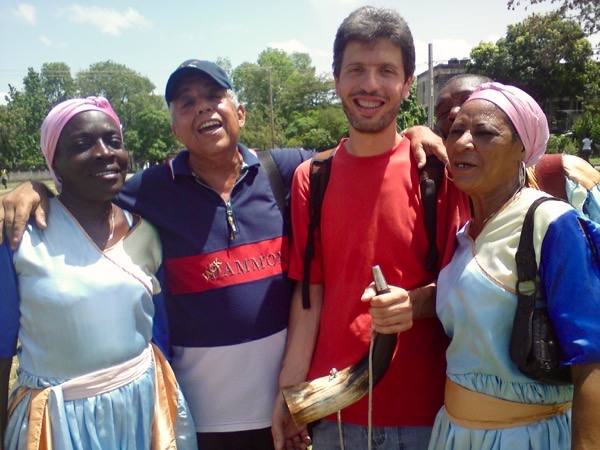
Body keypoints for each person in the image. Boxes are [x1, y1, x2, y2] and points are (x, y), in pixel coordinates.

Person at [0, 60, 446, 450]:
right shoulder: (149, 191)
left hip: (282, 412)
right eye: (186, 103)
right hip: (194, 418)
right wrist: (35, 188)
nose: (203, 108)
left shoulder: (286, 171)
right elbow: (89, 189)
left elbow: (359, 149)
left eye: (215, 96)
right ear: (174, 127)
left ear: (241, 112)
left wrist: (412, 131)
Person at [272, 7, 470, 450]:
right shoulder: (312, 178)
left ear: (407, 82)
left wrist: (415, 304)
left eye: (386, 71)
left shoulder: (436, 173)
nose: (370, 85)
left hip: (426, 414)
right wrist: (289, 396)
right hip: (332, 409)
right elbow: (310, 297)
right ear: (337, 78)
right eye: (356, 70)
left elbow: (466, 286)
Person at [0, 97, 197, 450]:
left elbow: (159, 335)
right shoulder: (20, 238)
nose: (104, 153)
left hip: (142, 410)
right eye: (81, 145)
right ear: (53, 162)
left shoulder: (147, 234)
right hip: (59, 424)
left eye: (113, 141)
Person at [428, 82, 600, 449]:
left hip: (527, 437)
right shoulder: (466, 235)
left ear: (522, 147)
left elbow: (592, 356)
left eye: (484, 133)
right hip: (455, 435)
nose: (463, 143)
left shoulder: (550, 222)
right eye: (456, 130)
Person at [406, 73, 600, 223]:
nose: (454, 113)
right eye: (442, 111)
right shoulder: (439, 191)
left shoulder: (564, 178)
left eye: (467, 99)